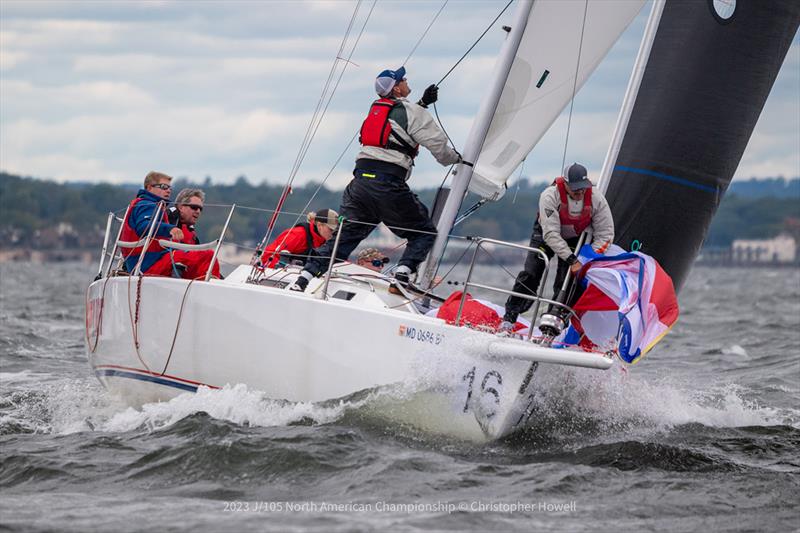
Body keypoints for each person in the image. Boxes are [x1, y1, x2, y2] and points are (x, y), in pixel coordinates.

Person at [291, 66, 461, 292]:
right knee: (423, 232)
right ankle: (402, 274)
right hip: (387, 184)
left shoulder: (376, 110)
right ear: (398, 89)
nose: (407, 80)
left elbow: (399, 124)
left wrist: (422, 103)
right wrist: (459, 159)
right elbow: (440, 148)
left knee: (344, 239)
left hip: (359, 184)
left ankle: (304, 277)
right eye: (403, 79)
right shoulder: (411, 112)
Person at [502, 163, 614, 326]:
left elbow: (605, 234)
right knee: (531, 273)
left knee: (568, 281)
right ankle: (509, 317)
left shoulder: (596, 199)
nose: (580, 193)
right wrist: (572, 260)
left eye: (583, 188)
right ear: (565, 183)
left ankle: (554, 321)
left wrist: (588, 258)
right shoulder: (549, 196)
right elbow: (551, 234)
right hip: (546, 235)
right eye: (575, 189)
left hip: (574, 238)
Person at [120, 172, 220, 279]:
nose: (168, 190)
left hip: (146, 263)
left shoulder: (151, 205)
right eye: (164, 187)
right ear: (149, 188)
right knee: (208, 256)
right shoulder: (148, 205)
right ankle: (210, 291)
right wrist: (170, 229)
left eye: (169, 188)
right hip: (148, 265)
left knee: (197, 259)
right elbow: (143, 226)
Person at [260, 209, 339, 268]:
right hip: (282, 278)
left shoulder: (328, 241)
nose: (334, 233)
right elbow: (268, 255)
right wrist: (286, 270)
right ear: (319, 225)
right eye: (331, 229)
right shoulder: (297, 234)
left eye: (336, 230)